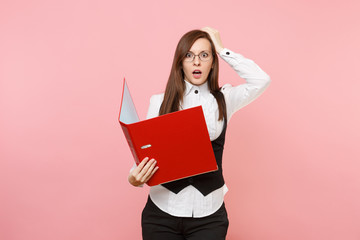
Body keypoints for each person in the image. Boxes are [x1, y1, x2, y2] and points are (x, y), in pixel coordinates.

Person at [128, 27, 271, 240]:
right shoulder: (159, 101)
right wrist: (135, 178)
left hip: (210, 216)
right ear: (180, 62)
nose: (196, 62)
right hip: (161, 214)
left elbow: (261, 80)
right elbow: (146, 151)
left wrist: (222, 49)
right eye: (189, 55)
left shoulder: (225, 98)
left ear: (212, 62)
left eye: (204, 55)